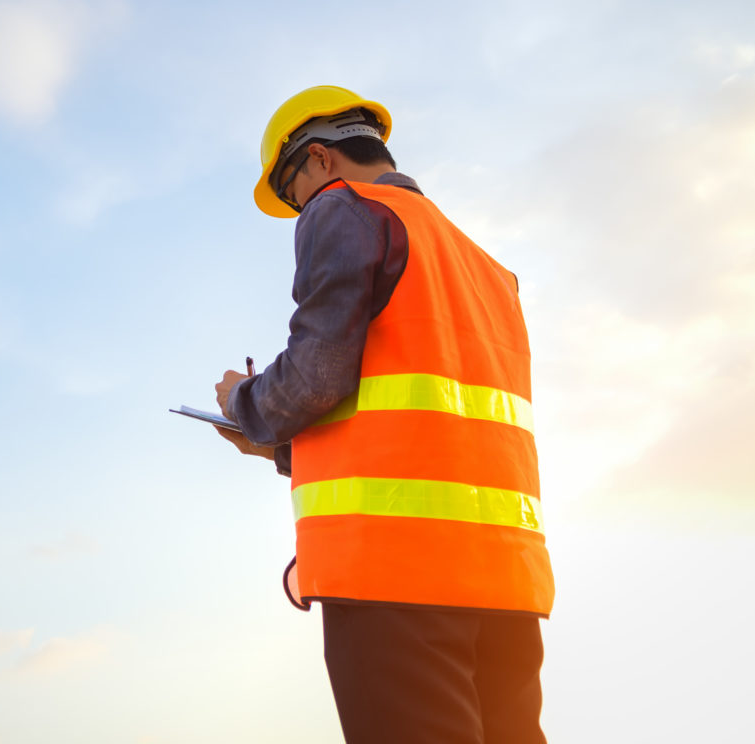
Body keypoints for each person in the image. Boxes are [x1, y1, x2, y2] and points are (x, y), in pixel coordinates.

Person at [212, 85, 553, 744]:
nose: (300, 212)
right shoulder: (487, 268)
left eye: (294, 195)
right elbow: (424, 424)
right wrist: (281, 453)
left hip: (395, 574)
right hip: (506, 579)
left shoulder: (344, 209)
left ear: (319, 161)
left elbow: (315, 378)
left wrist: (243, 404)